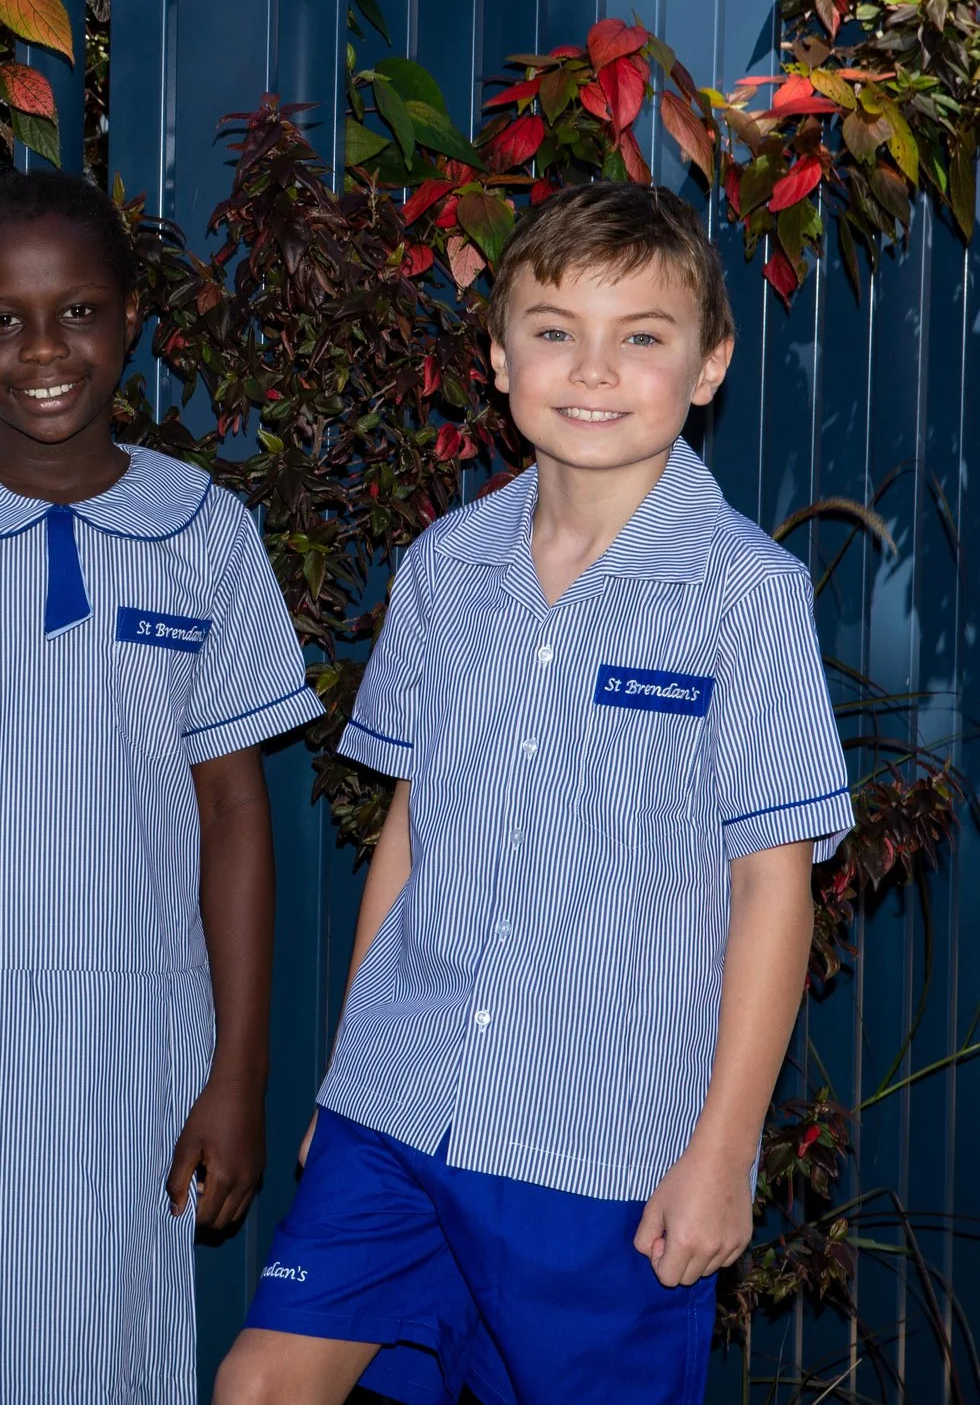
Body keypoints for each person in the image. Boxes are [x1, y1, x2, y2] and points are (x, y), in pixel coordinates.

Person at [214, 183, 856, 1405]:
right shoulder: (445, 569)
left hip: (600, 1143)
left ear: (708, 364)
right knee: (258, 1382)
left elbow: (773, 880)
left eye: (643, 335)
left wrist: (724, 1152)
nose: (593, 368)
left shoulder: (743, 595)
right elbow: (410, 829)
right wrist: (352, 1079)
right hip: (398, 1107)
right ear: (501, 356)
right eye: (555, 329)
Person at [0, 168, 321, 1403]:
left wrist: (238, 1073)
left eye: (78, 311)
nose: (44, 349)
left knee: (109, 1345)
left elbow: (234, 812)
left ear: (131, 313)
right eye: (3, 319)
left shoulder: (204, 530)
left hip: (136, 1045)